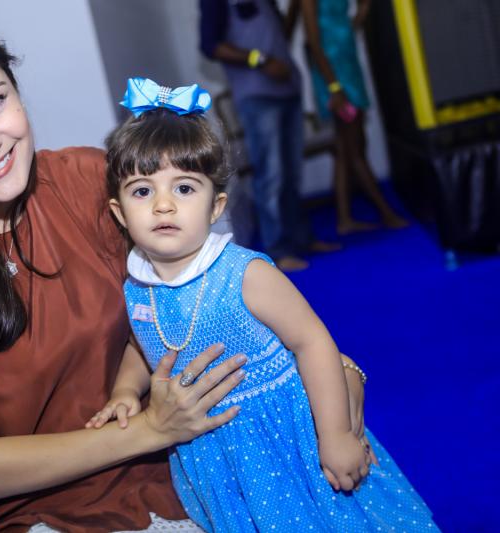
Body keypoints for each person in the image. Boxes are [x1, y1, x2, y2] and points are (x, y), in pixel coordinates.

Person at [0, 2, 366, 531]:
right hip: (38, 514)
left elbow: (217, 293)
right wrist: (151, 429)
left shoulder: (90, 181)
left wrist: (337, 373)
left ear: (16, 87)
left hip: (190, 469)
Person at [94, 77, 438, 532]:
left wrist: (335, 433)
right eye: (143, 191)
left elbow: (311, 341)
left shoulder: (245, 273)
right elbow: (142, 346)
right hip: (215, 457)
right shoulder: (136, 287)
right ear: (120, 212)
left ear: (216, 207)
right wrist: (124, 391)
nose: (163, 206)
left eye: (184, 188)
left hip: (287, 440)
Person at [200, 0, 337, 272]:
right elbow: (210, 46)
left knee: (291, 173)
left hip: (288, 89)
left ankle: (302, 239)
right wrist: (259, 60)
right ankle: (278, 250)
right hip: (257, 96)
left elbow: (279, 36)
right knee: (271, 175)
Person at [302, 0, 409, 234]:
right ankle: (386, 213)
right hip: (336, 78)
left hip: (347, 66)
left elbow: (343, 27)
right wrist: (334, 87)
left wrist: (363, 11)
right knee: (355, 148)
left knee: (344, 149)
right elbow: (313, 42)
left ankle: (345, 220)